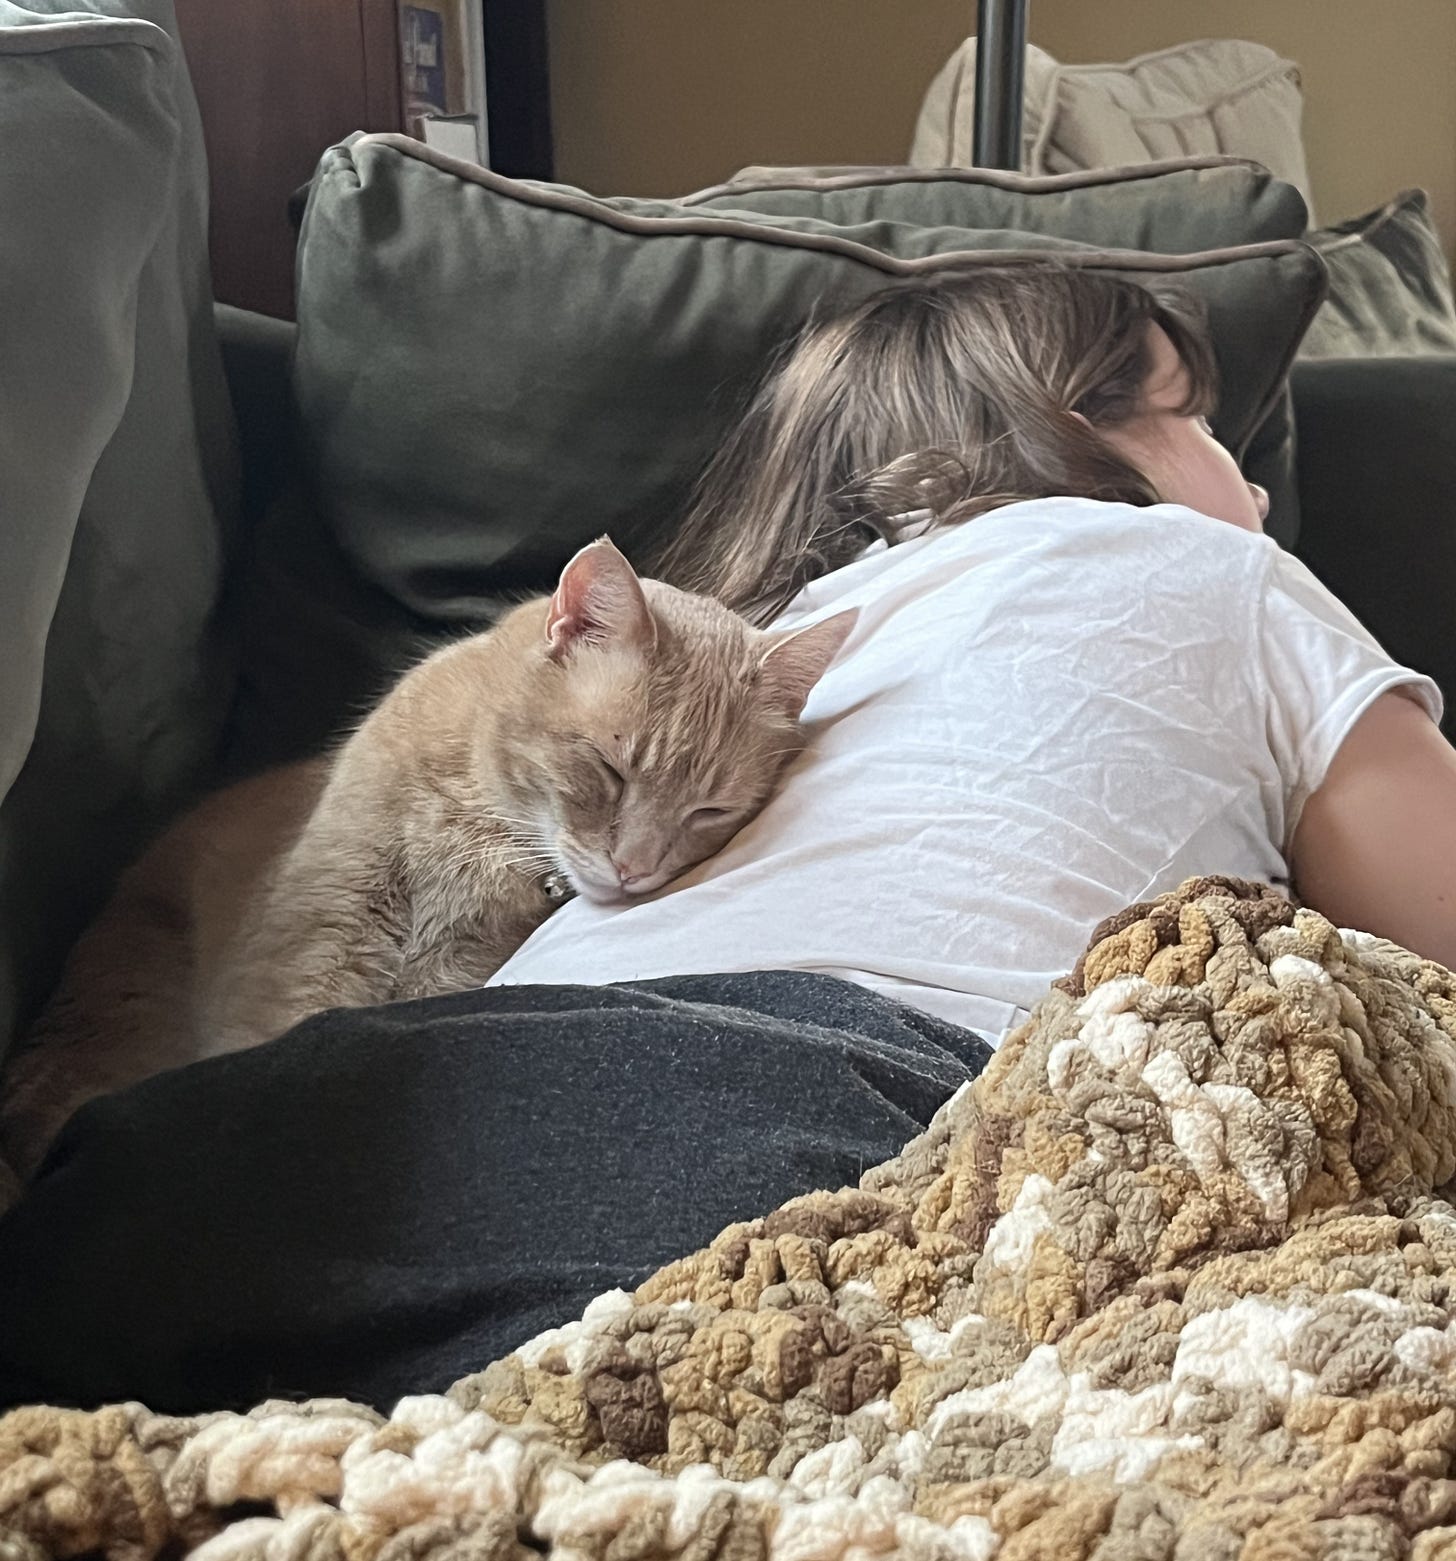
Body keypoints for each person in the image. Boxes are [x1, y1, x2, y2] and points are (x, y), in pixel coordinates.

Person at [0, 264, 1451, 1414]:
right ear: (1071, 433)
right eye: (1207, 428)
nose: (1256, 487)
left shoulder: (782, 648)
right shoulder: (1212, 567)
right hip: (803, 1145)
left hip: (255, 1159)